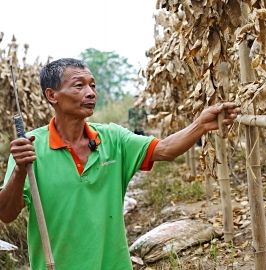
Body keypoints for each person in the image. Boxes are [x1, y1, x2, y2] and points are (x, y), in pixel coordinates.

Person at [0, 58, 240, 270]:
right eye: (79, 85)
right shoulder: (29, 147)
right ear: (52, 95)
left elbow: (165, 149)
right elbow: (7, 214)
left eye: (93, 85)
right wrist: (20, 170)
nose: (91, 92)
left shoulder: (114, 138)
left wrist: (201, 124)